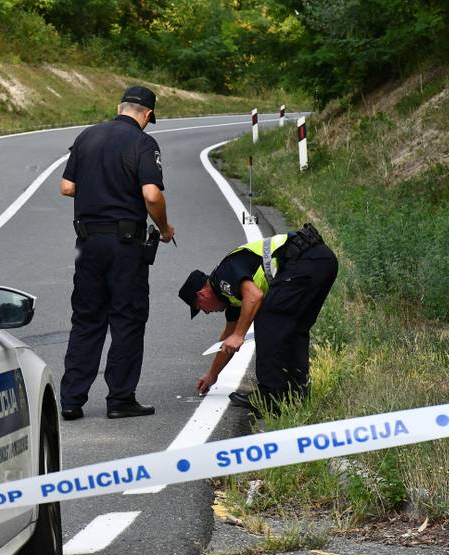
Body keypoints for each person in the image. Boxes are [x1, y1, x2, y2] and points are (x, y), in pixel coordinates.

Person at [59, 86, 175, 421]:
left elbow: (67, 186)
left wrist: (97, 188)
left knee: (86, 318)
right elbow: (151, 195)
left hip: (88, 243)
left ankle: (71, 400)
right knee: (127, 317)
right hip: (125, 245)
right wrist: (165, 228)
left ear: (118, 107)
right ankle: (120, 398)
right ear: (148, 115)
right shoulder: (143, 143)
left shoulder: (87, 137)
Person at [178, 224, 337, 414]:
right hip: (322, 261)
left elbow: (254, 297)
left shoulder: (222, 278)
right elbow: (227, 341)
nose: (206, 313)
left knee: (266, 317)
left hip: (306, 260)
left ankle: (270, 396)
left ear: (202, 294)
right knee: (294, 329)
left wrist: (239, 334)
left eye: (200, 309)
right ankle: (296, 393)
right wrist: (212, 374)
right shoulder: (232, 298)